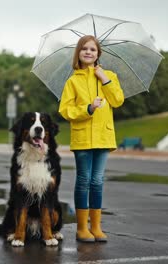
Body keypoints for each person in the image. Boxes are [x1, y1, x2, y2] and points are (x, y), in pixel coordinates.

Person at [58, 35, 124, 242]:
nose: (88, 52)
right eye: (84, 49)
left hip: (104, 136)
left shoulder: (109, 75)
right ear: (78, 53)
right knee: (84, 180)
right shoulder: (73, 81)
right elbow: (65, 110)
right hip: (83, 138)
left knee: (97, 181)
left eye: (93, 49)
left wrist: (104, 78)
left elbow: (118, 100)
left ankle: (96, 227)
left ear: (98, 54)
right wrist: (88, 108)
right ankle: (81, 228)